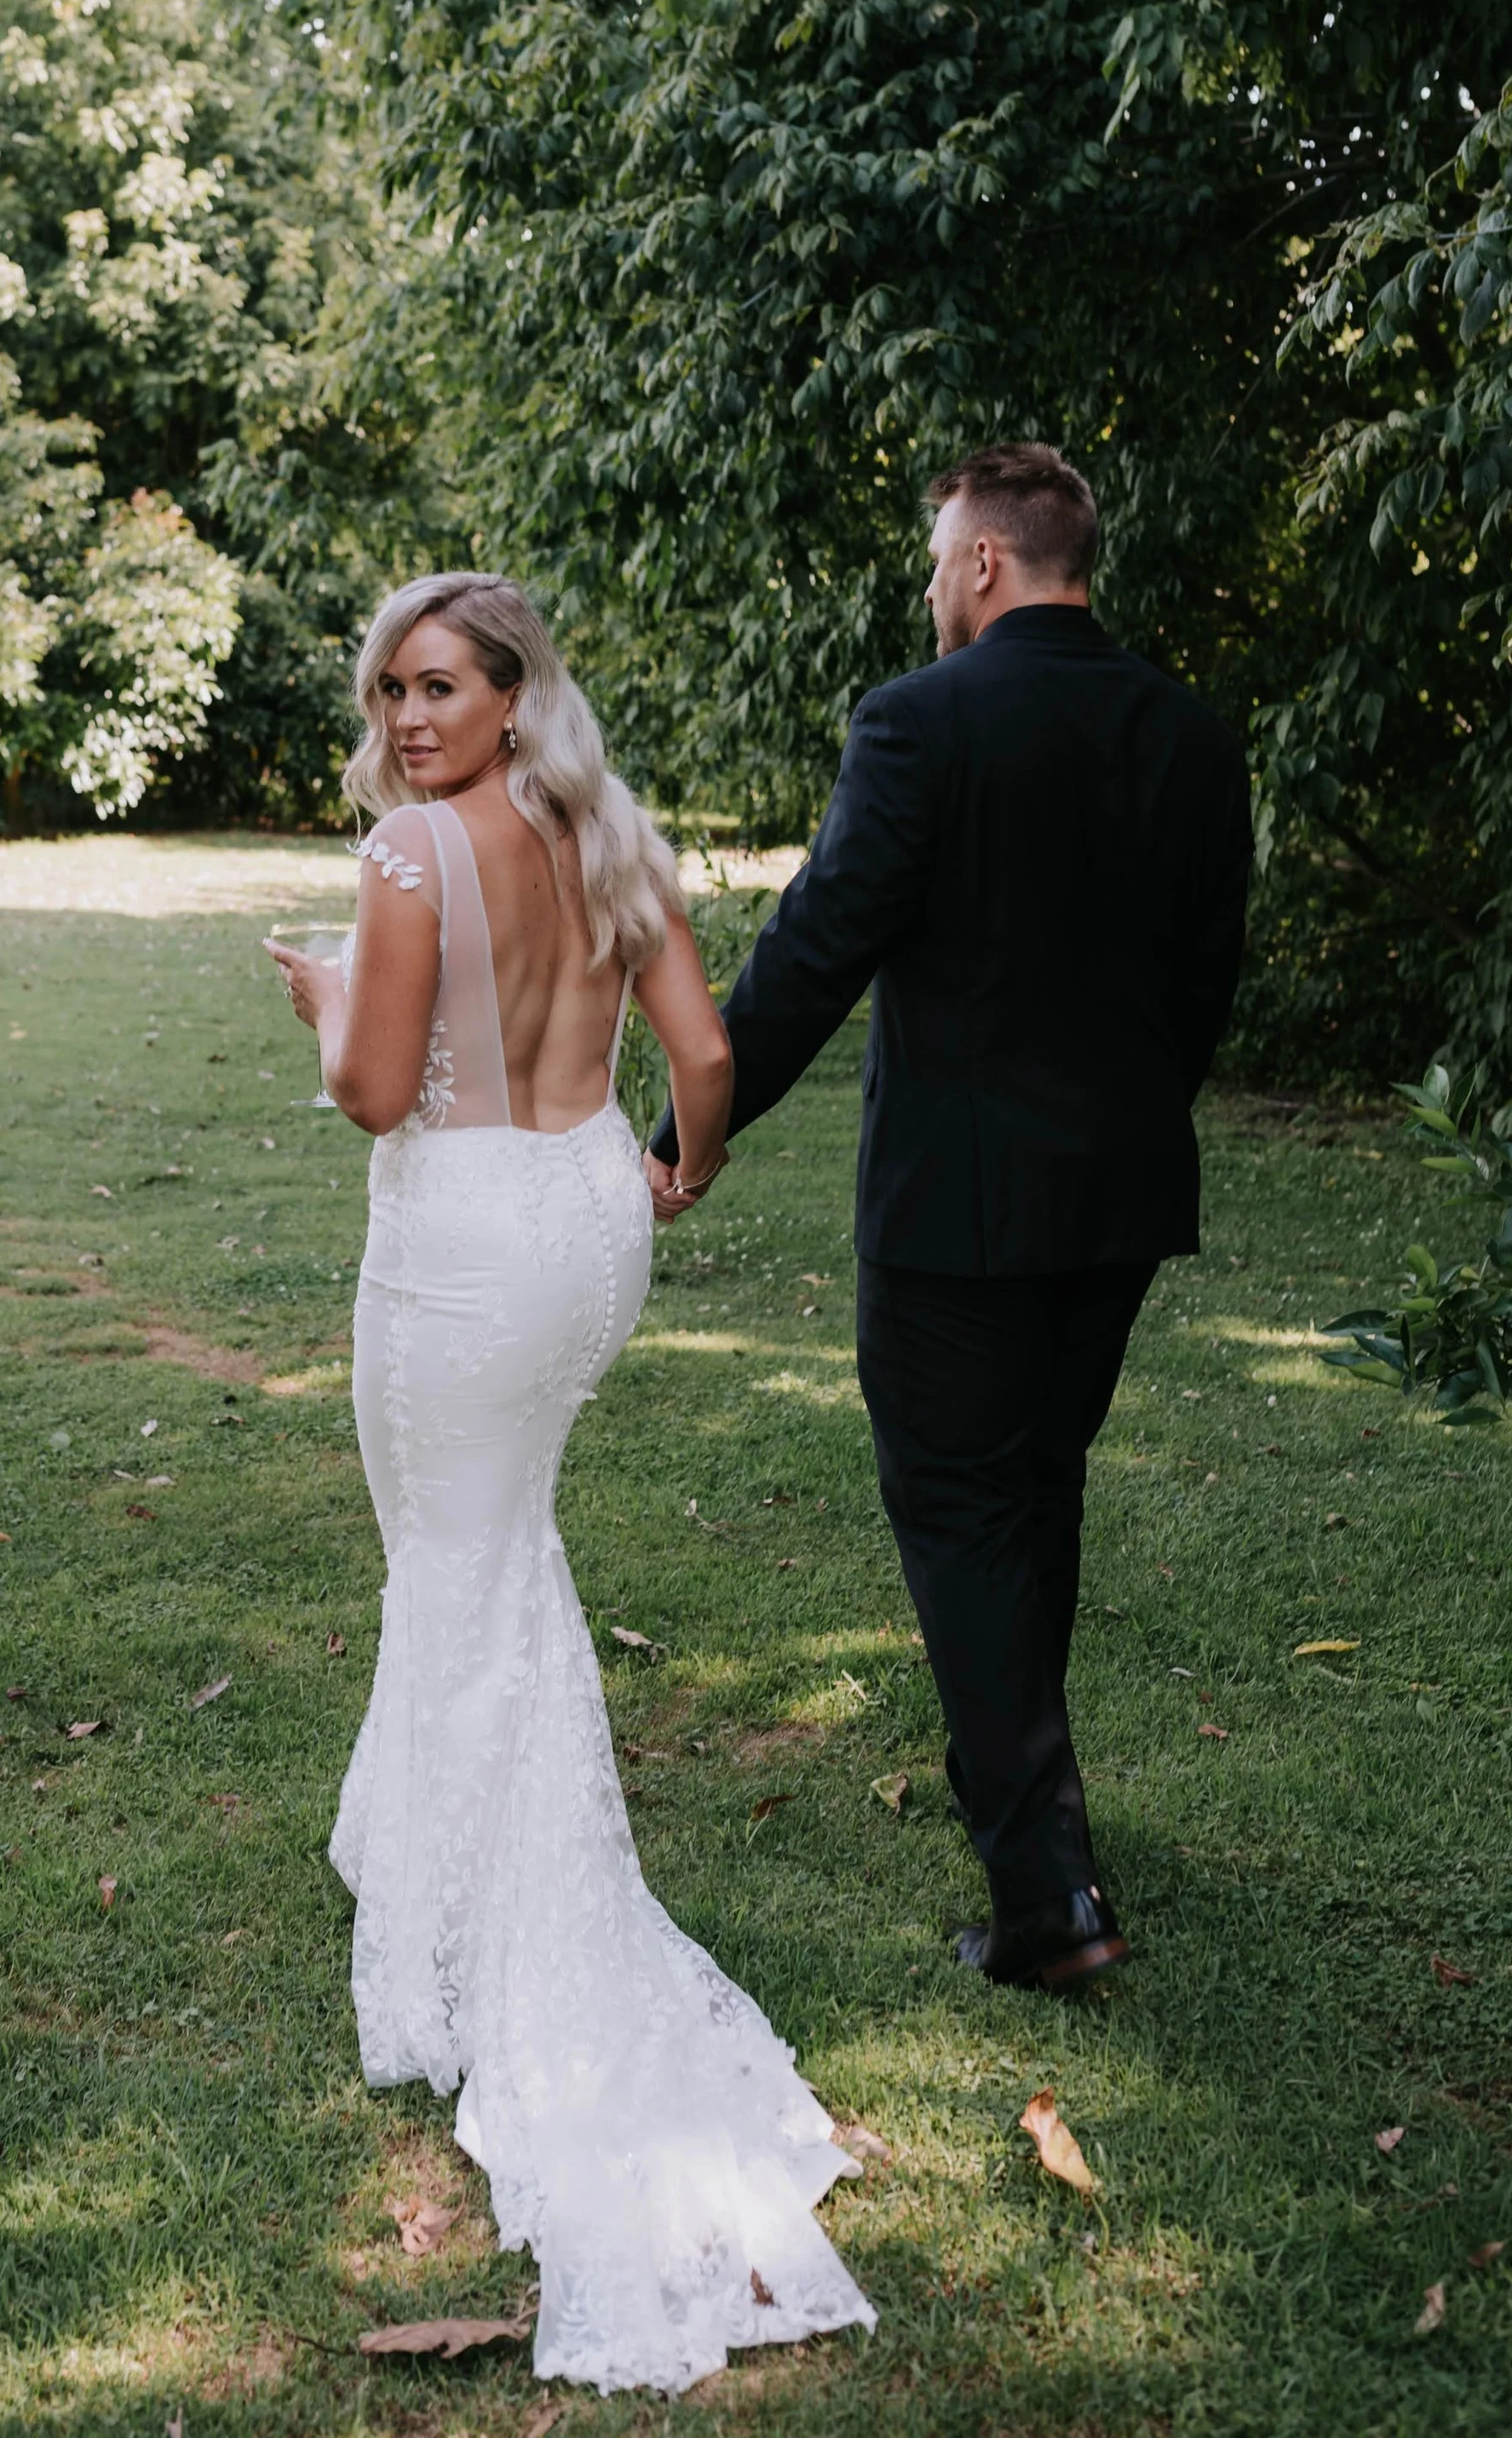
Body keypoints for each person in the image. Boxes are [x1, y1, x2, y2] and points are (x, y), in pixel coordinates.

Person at [267, 572, 875, 2395]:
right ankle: (423, 1856)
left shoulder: (397, 867)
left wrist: (314, 991)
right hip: (591, 1216)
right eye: (387, 696)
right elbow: (702, 1055)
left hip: (459, 1245)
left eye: (437, 688)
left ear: (517, 692)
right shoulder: (614, 834)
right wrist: (678, 1171)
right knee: (492, 1548)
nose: (404, 724)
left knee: (453, 1566)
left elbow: (376, 1094)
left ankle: (468, 1945)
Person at [649, 443, 1252, 1991]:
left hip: (954, 1213)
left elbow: (818, 946)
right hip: (1120, 1198)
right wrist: (1124, 1125)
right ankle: (1032, 1806)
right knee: (1032, 1494)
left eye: (935, 561)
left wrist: (690, 1131)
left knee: (961, 1509)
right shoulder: (1191, 736)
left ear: (987, 561)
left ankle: (1048, 1896)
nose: (930, 589)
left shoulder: (921, 721)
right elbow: (1202, 986)